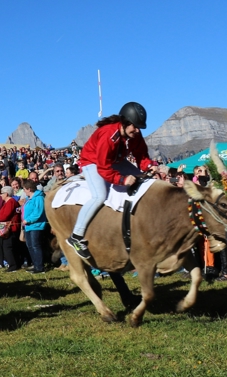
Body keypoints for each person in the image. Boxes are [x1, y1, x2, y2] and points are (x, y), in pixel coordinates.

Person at [65, 102, 156, 260]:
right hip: (92, 162)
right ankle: (76, 236)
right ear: (125, 123)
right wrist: (122, 179)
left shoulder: (134, 134)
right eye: (135, 126)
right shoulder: (108, 134)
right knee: (99, 196)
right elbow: (103, 167)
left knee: (145, 182)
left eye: (139, 127)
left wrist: (149, 166)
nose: (138, 130)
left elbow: (141, 155)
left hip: (115, 160)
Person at [21, 178, 48, 273]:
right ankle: (35, 264)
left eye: (24, 189)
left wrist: (28, 220)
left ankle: (40, 267)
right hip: (28, 226)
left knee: (35, 245)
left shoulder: (39, 198)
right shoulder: (28, 199)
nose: (24, 191)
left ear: (29, 189)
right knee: (30, 246)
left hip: (36, 225)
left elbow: (38, 212)